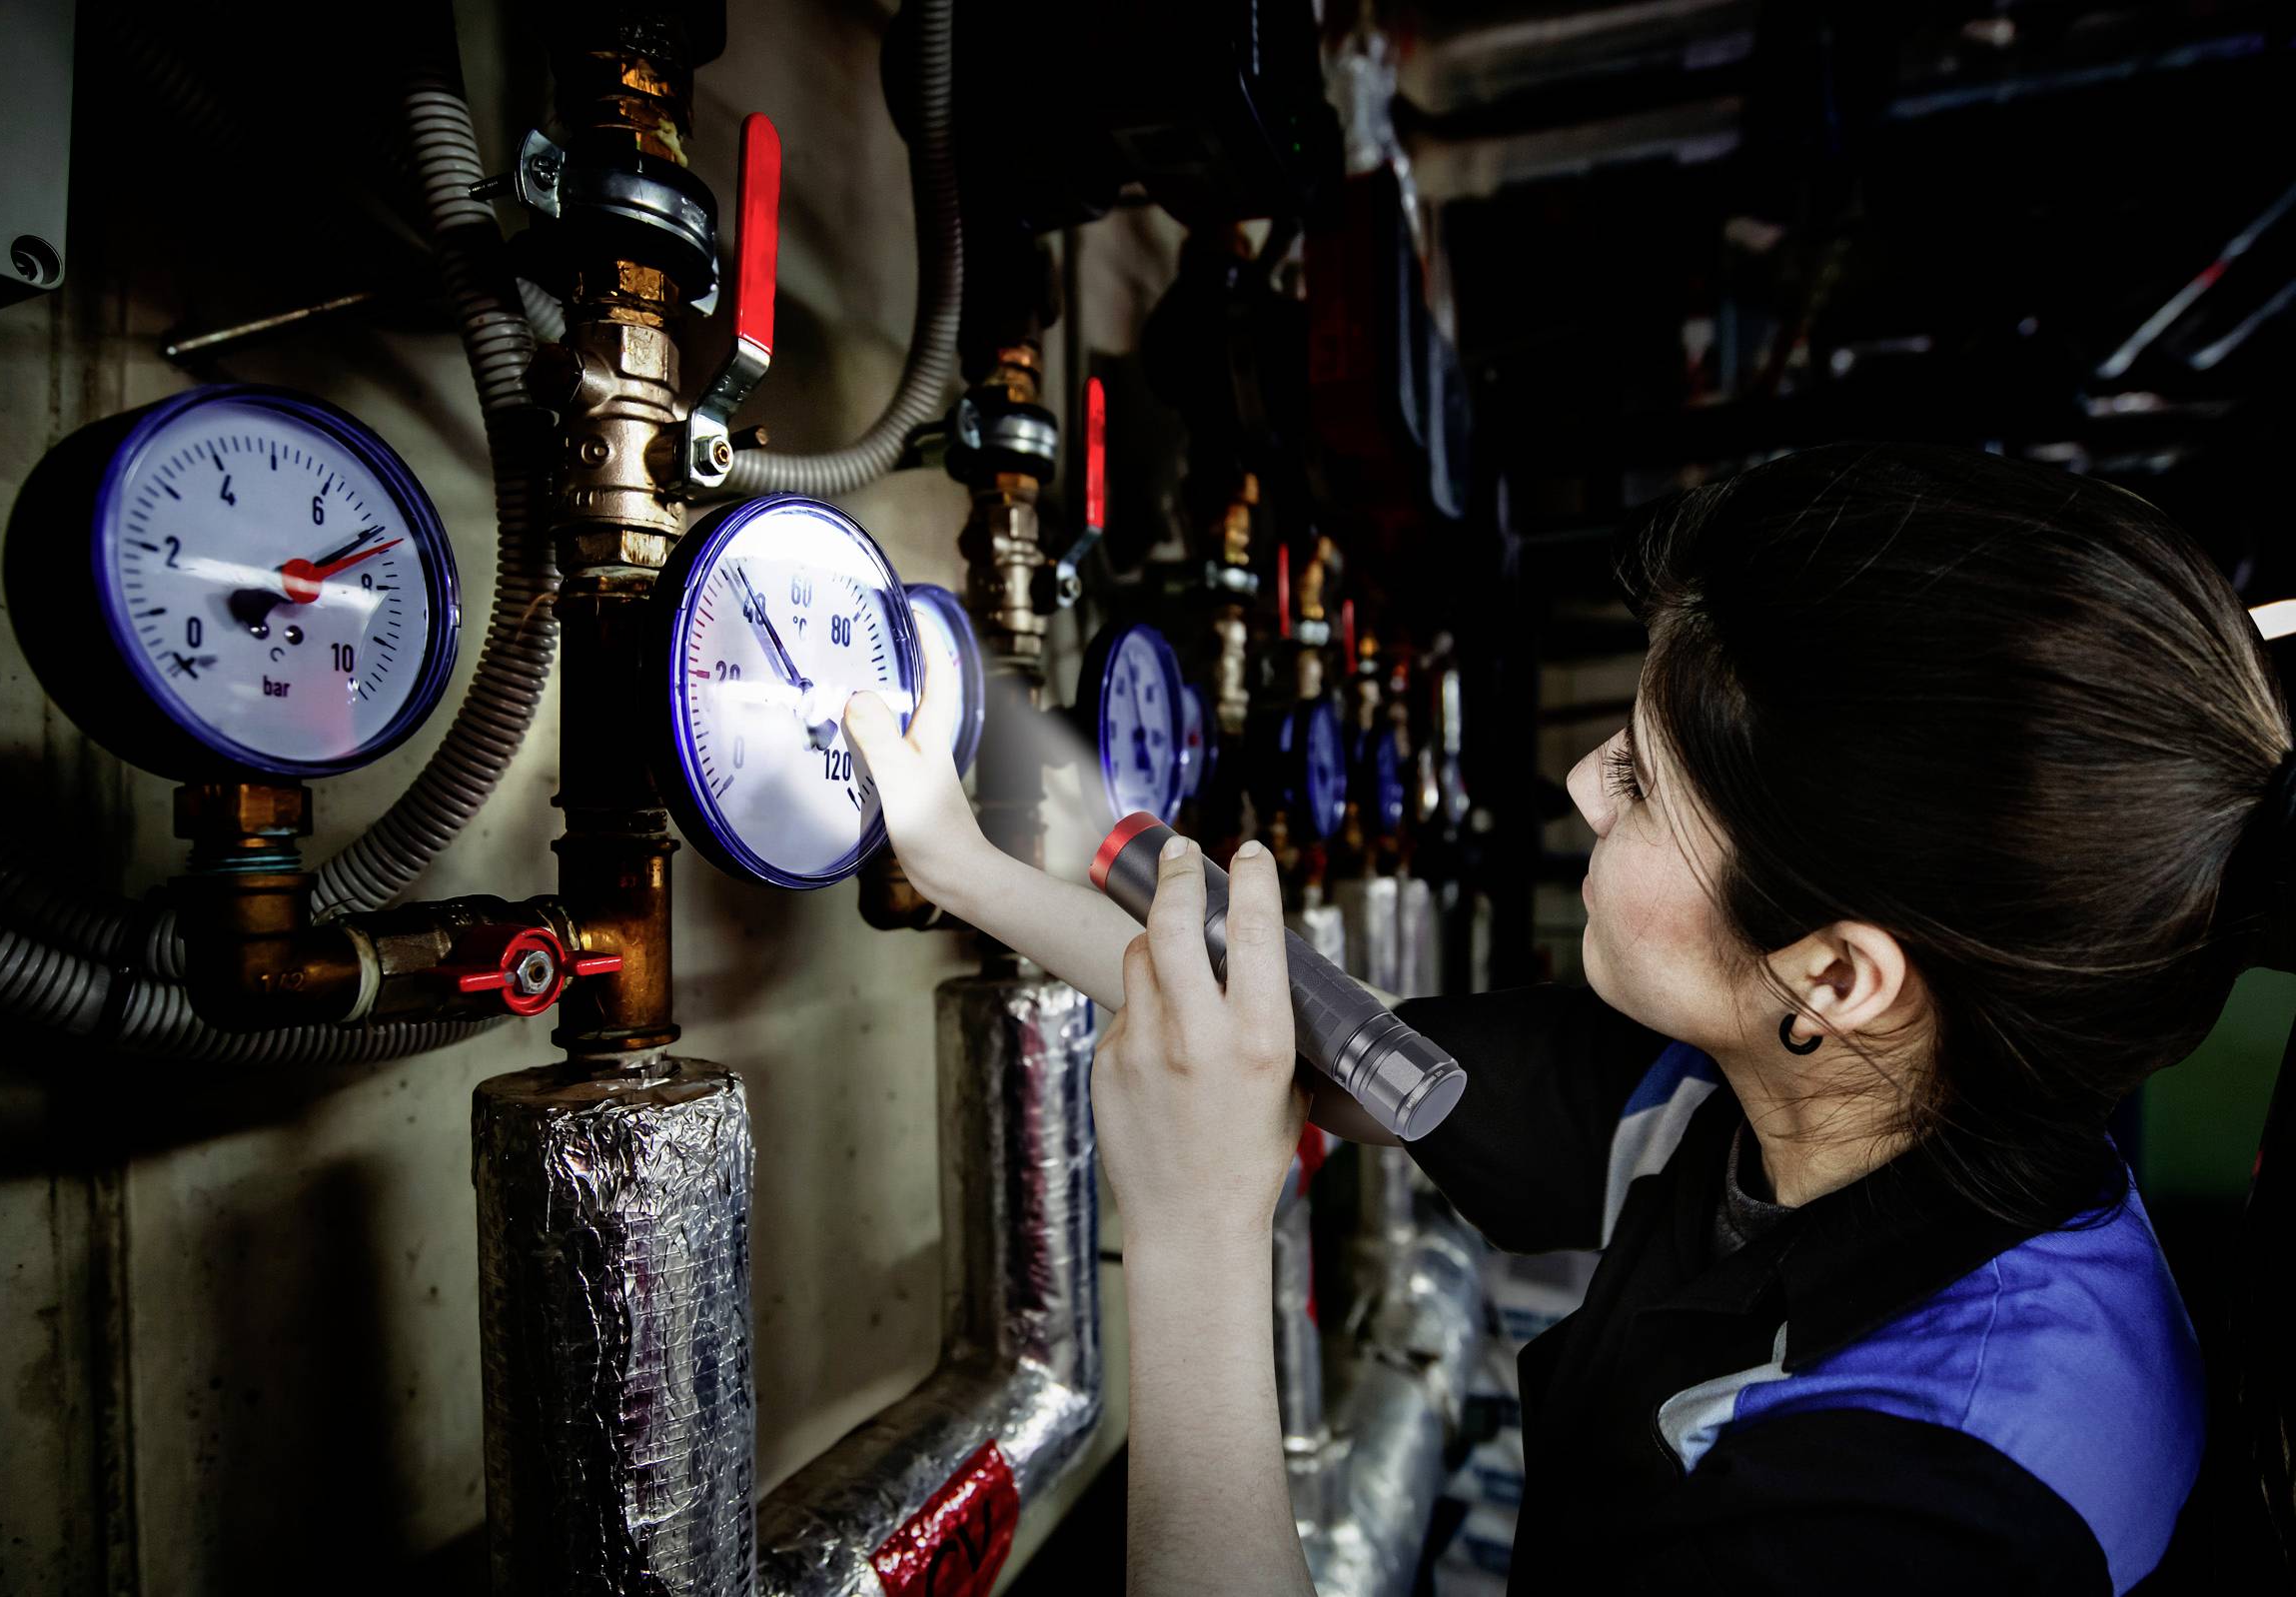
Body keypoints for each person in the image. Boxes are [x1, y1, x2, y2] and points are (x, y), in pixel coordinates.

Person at [843, 443, 2288, 1594]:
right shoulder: (1769, 1088)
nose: (1583, 788)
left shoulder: (1926, 1512)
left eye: (1646, 782)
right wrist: (965, 859)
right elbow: (1300, 1031)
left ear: (1838, 975)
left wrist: (1194, 1230)